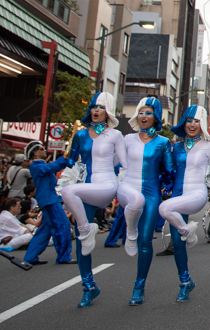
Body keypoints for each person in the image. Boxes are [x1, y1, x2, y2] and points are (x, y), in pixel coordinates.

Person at [62, 91, 127, 308]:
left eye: (100, 107)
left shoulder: (116, 135)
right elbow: (71, 162)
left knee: (70, 194)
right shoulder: (80, 135)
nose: (96, 111)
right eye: (93, 107)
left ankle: (86, 229)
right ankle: (89, 287)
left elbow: (124, 164)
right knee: (83, 243)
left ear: (107, 111)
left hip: (107, 185)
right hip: (87, 187)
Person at [115, 97, 175, 305]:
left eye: (148, 112)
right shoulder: (126, 139)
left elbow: (169, 171)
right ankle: (130, 231)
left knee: (146, 240)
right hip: (128, 187)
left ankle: (139, 287)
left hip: (151, 193)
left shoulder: (163, 143)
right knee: (134, 202)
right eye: (141, 112)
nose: (143, 116)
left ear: (156, 117)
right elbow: (116, 164)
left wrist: (172, 188)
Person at [159, 106, 210, 302]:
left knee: (164, 209)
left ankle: (188, 232)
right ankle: (185, 282)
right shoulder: (175, 147)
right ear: (184, 123)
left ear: (202, 125)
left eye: (197, 121)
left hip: (197, 193)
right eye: (189, 120)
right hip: (177, 195)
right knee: (176, 242)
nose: (192, 124)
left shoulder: (209, 147)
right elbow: (168, 170)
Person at [22, 142, 73, 266]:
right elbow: (51, 168)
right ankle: (63, 256)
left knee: (45, 230)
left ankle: (30, 257)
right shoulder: (36, 166)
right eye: (42, 149)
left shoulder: (40, 165)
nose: (45, 150)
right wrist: (65, 157)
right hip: (49, 200)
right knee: (62, 225)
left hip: (49, 199)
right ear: (35, 153)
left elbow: (52, 167)